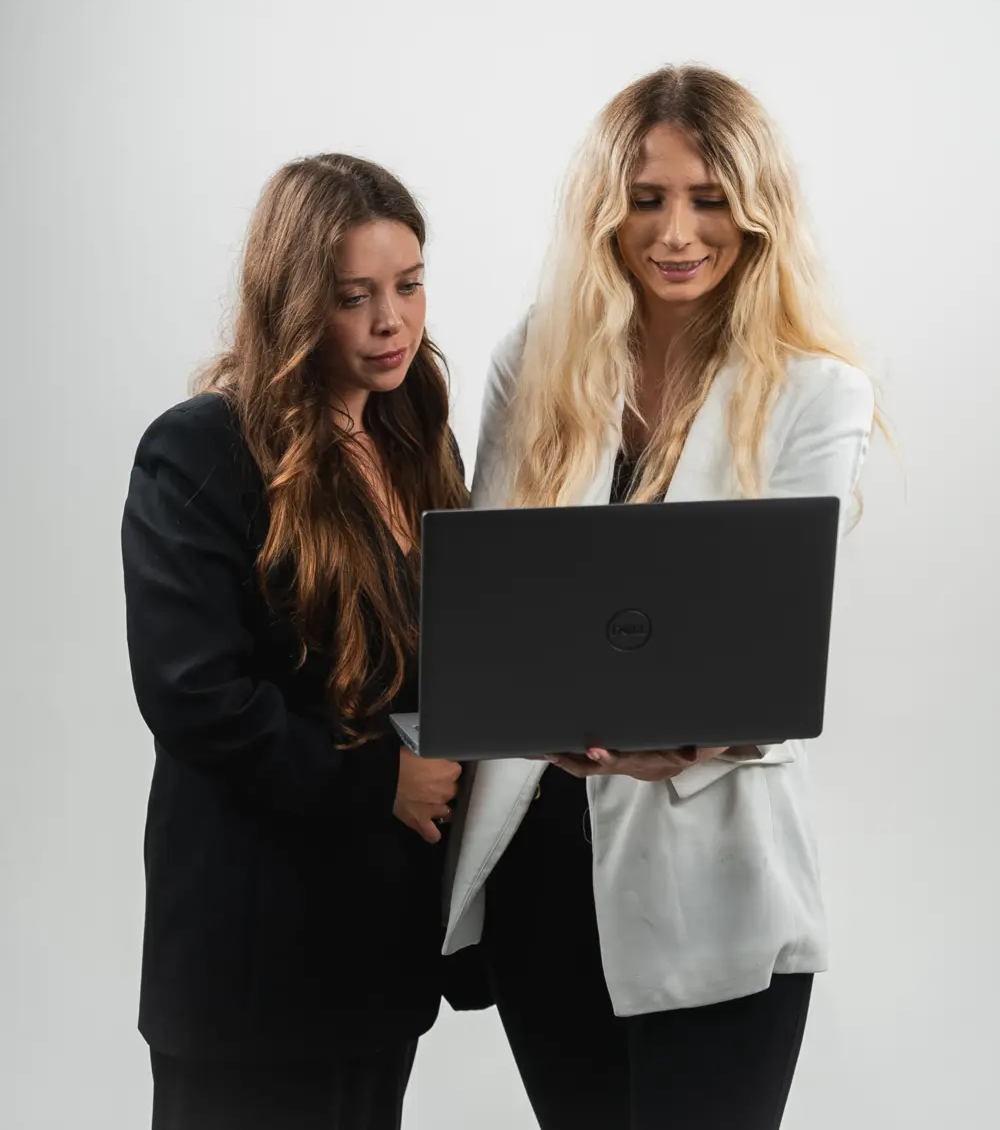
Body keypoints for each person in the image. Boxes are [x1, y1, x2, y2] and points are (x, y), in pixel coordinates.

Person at [442, 65, 879, 1130]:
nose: (676, 232)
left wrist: (673, 733)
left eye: (708, 198)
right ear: (606, 209)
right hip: (541, 862)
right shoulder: (534, 359)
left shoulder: (816, 392)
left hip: (713, 874)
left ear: (756, 209)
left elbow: (770, 644)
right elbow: (486, 602)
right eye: (645, 199)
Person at [121, 154, 474, 1130]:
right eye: (354, 297)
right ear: (294, 302)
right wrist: (380, 781)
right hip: (249, 961)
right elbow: (194, 696)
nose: (391, 321)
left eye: (408, 285)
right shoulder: (201, 450)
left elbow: (454, 656)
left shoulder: (421, 446)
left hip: (377, 949)